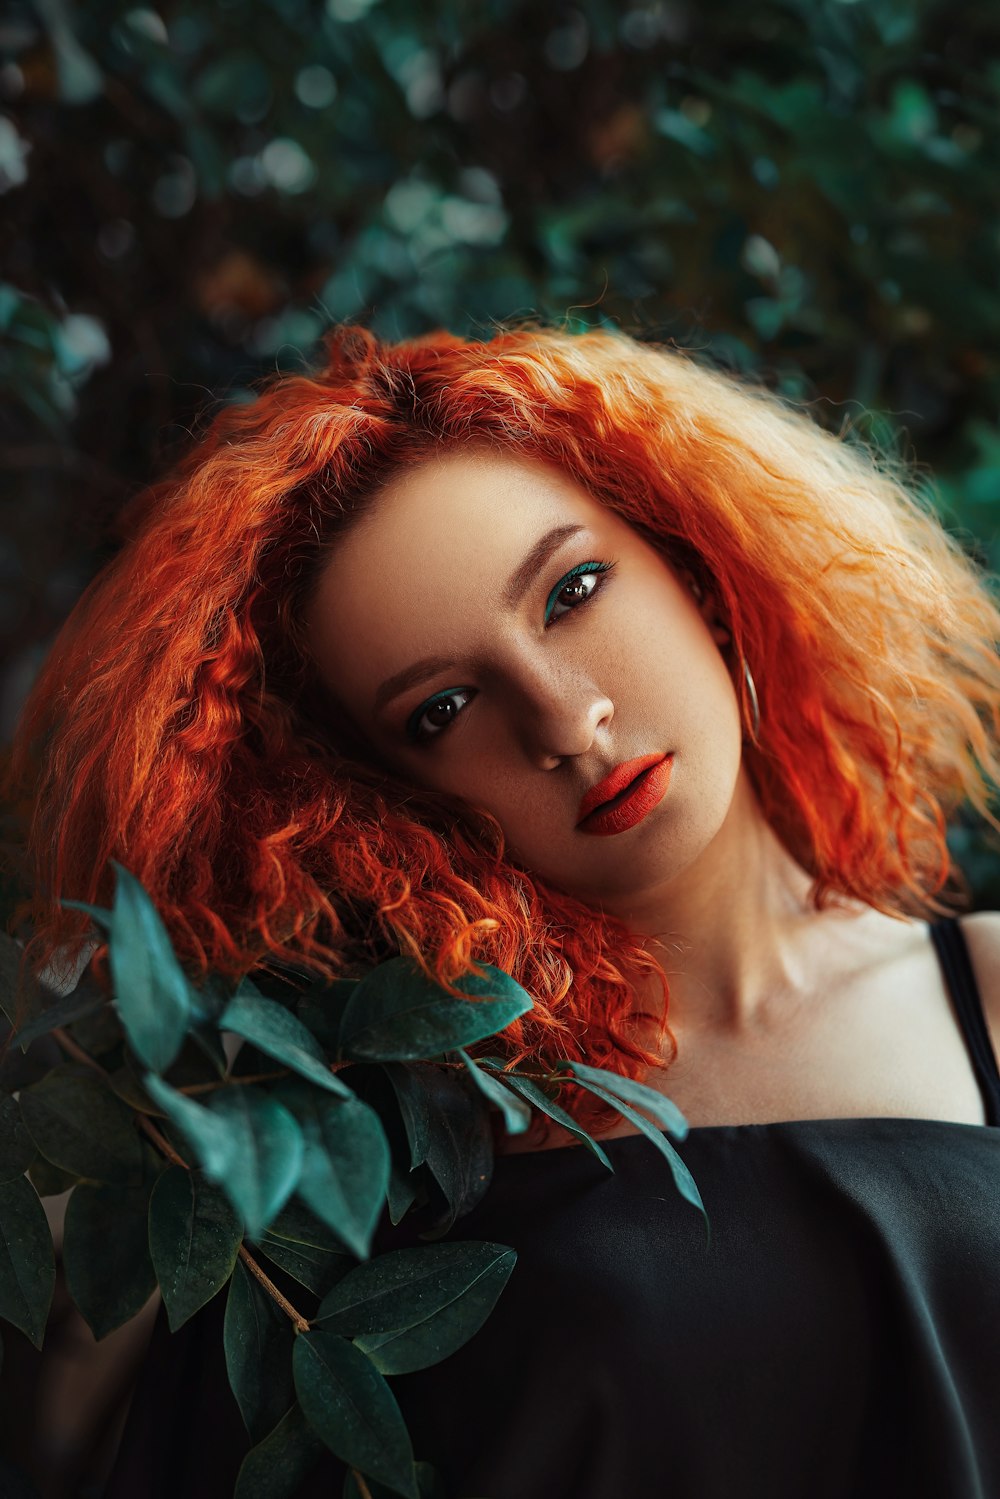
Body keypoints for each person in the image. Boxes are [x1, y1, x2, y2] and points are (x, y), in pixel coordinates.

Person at [11, 323, 1000, 1498]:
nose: (564, 720)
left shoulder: (984, 989)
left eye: (573, 591)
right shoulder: (381, 1137)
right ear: (381, 798)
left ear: (696, 561)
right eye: (441, 708)